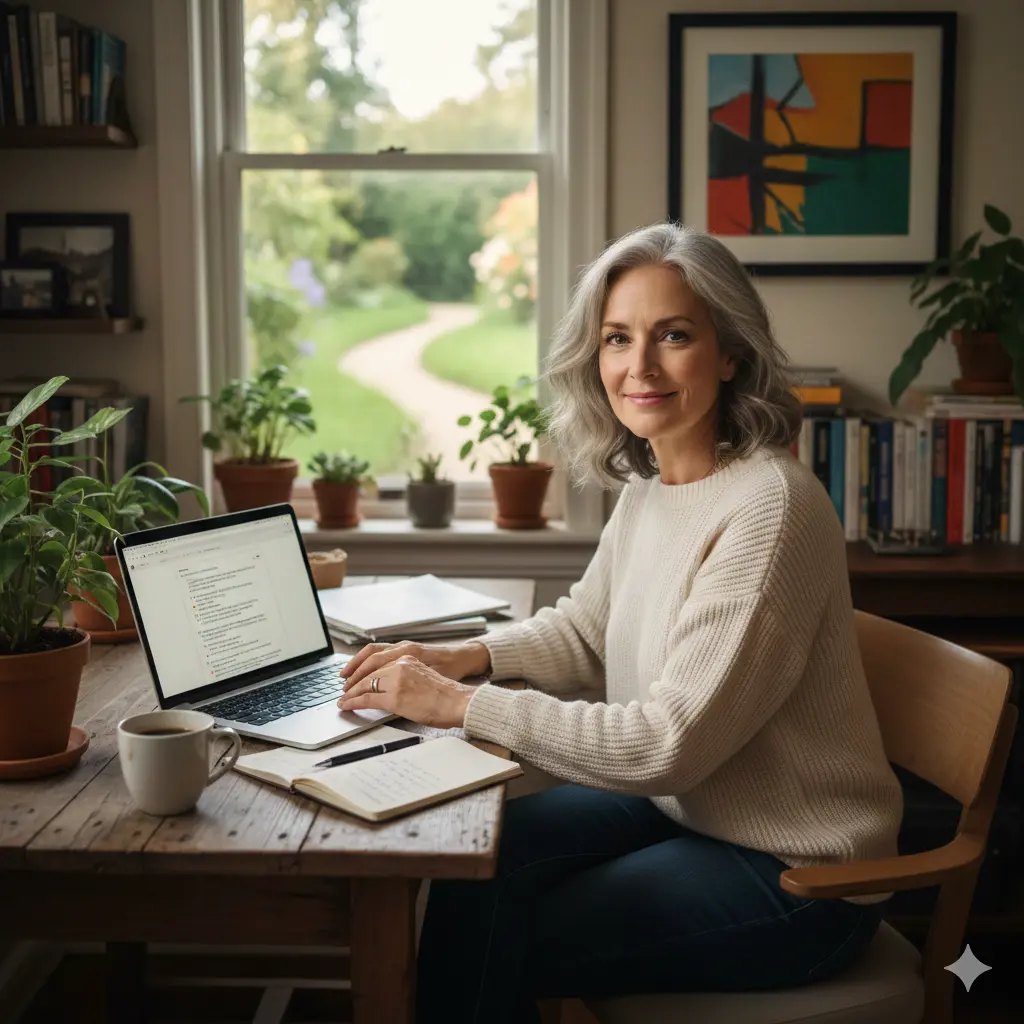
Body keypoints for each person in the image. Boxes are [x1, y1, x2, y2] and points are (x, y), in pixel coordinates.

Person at [338, 223, 903, 1024]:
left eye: (674, 335)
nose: (639, 366)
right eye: (617, 338)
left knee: (497, 921)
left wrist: (458, 705)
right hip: (697, 808)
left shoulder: (769, 510)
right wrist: (460, 656)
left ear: (730, 352)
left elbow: (668, 743)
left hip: (796, 871)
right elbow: (584, 633)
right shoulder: (652, 485)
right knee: (473, 862)